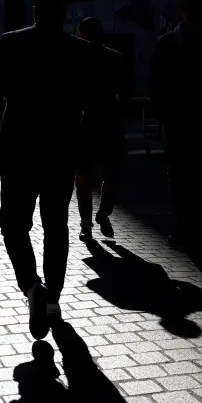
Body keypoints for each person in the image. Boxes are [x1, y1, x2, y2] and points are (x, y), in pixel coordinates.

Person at [0, 0, 91, 340]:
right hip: (60, 150)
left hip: (19, 149)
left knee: (14, 225)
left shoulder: (11, 43)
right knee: (56, 225)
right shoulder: (79, 50)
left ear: (34, 10)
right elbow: (88, 106)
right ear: (65, 14)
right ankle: (53, 298)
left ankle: (32, 285)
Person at [150, 0, 202, 248]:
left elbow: (156, 81)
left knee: (179, 174)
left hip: (178, 117)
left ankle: (183, 224)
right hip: (197, 117)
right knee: (194, 173)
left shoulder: (168, 42)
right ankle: (191, 225)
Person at [75, 17, 126, 240]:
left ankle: (87, 223)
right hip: (108, 121)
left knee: (84, 177)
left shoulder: (75, 60)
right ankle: (102, 213)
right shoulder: (115, 58)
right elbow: (124, 92)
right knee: (112, 173)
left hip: (85, 123)